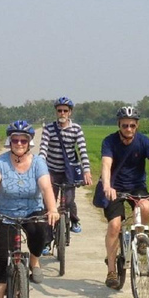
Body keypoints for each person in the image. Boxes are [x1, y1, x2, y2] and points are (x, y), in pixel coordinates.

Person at [0, 120, 59, 298]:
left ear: (30, 142)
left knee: (40, 234)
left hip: (32, 211)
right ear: (10, 141)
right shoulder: (0, 162)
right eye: (15, 139)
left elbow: (46, 187)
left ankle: (34, 260)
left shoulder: (38, 162)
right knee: (2, 257)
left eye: (24, 139)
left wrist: (52, 209)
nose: (19, 143)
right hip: (5, 213)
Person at [100, 106, 149, 289]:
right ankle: (111, 271)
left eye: (132, 125)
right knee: (115, 225)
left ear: (137, 125)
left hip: (137, 186)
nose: (129, 129)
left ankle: (141, 238)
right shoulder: (109, 141)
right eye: (125, 126)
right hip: (115, 188)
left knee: (146, 208)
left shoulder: (144, 141)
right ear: (119, 125)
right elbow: (106, 164)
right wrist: (107, 186)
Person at [38, 96, 92, 252]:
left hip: (69, 172)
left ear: (70, 112)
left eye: (65, 111)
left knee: (68, 201)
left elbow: (82, 150)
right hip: (52, 171)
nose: (62, 113)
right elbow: (43, 150)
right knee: (48, 207)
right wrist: (40, 170)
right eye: (59, 110)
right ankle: (47, 241)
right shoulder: (49, 129)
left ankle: (74, 220)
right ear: (56, 112)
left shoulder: (76, 129)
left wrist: (86, 170)